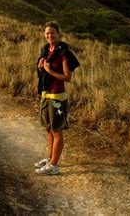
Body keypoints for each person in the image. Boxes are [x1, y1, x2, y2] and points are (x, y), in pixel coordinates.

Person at [34, 21, 79, 175]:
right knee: (49, 129)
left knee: (57, 131)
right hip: (46, 95)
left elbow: (67, 77)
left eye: (53, 32)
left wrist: (48, 70)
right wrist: (41, 68)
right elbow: (43, 71)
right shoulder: (46, 50)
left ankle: (54, 165)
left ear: (59, 33)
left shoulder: (63, 53)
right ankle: (50, 158)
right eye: (47, 33)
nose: (50, 35)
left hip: (57, 97)